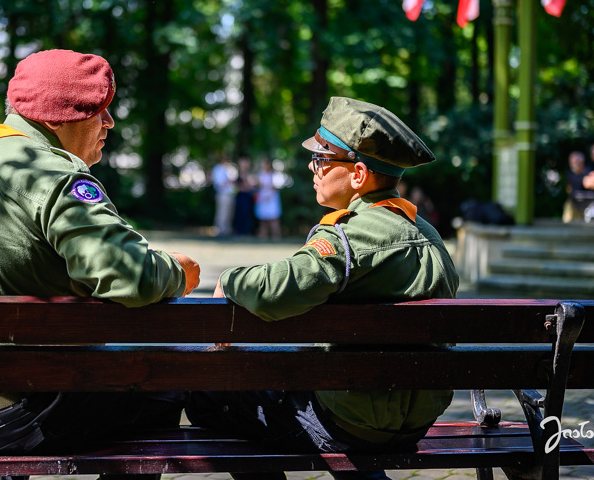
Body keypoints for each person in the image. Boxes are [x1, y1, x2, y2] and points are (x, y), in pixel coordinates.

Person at [0, 49, 201, 467]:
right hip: (2, 414)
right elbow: (134, 279)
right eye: (98, 111)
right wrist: (178, 271)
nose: (109, 123)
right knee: (165, 386)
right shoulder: (54, 175)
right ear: (60, 116)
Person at [186, 97, 459, 480]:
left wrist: (230, 280)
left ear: (359, 175)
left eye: (322, 161)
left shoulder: (352, 236)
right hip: (414, 421)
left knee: (211, 398)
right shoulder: (428, 235)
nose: (313, 169)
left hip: (350, 420)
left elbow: (278, 289)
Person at [254, 158, 282, 240]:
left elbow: (276, 186)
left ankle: (276, 237)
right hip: (262, 199)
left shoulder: (274, 175)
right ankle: (263, 236)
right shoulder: (260, 175)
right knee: (263, 219)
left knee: (274, 219)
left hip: (272, 199)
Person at [212, 155, 236, 237]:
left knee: (229, 214)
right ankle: (220, 230)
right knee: (222, 213)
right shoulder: (217, 169)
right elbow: (220, 183)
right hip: (222, 194)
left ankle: (227, 230)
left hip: (230, 194)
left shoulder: (229, 169)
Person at [232, 156, 256, 236]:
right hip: (240, 196)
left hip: (247, 197)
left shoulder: (250, 174)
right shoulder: (236, 173)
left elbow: (250, 187)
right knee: (239, 214)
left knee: (247, 214)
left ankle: (247, 231)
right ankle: (239, 231)